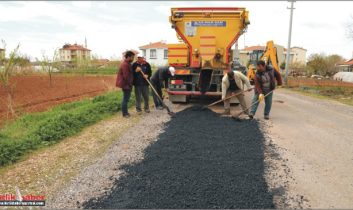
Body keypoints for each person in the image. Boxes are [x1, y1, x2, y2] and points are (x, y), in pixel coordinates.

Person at [116, 50, 135, 118]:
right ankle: (125, 113)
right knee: (125, 99)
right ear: (128, 57)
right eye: (132, 57)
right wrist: (130, 84)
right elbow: (126, 76)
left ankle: (125, 112)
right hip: (126, 85)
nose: (133, 59)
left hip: (127, 84)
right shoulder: (125, 65)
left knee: (126, 99)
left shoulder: (128, 64)